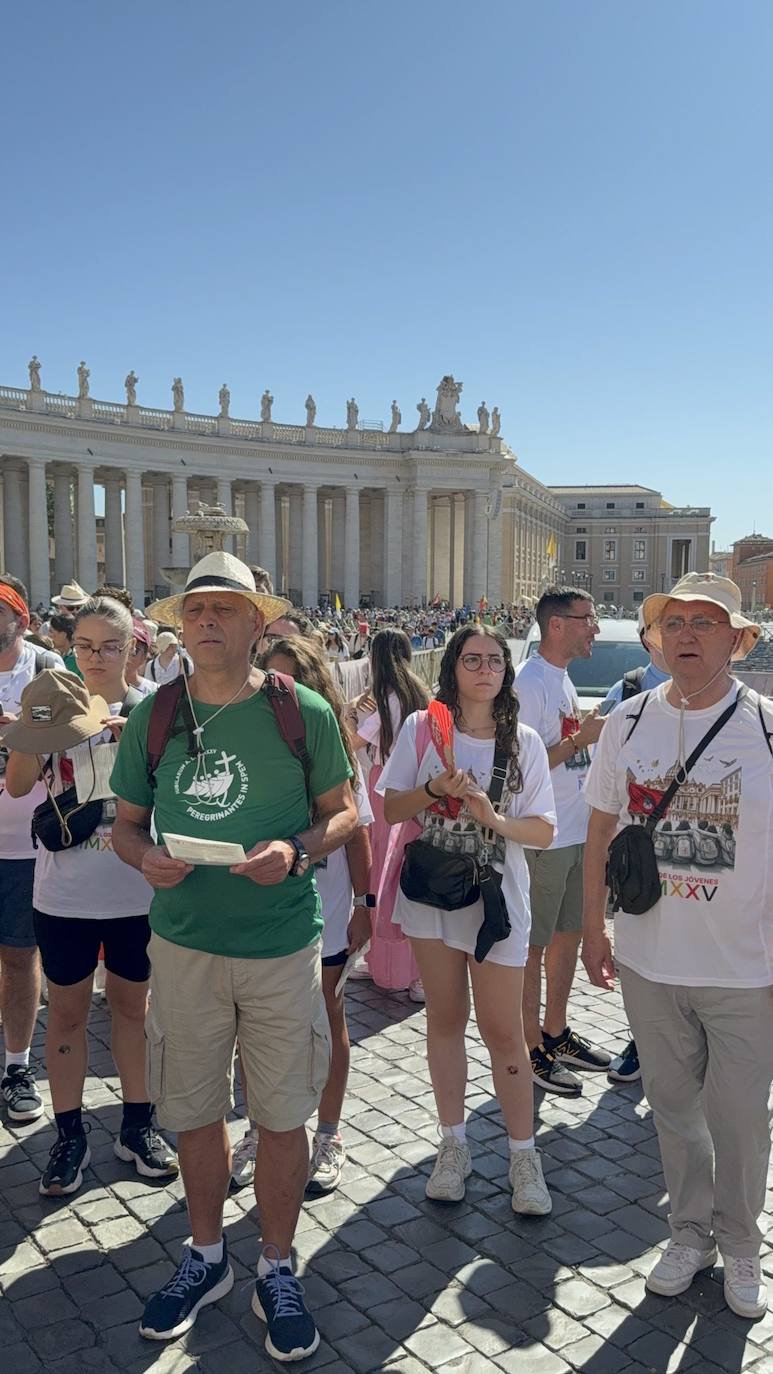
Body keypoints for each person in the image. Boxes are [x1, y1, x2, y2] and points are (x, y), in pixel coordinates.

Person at [110, 552, 358, 1362]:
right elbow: (124, 825)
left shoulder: (303, 710)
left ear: (258, 623)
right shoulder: (154, 714)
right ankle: (208, 1253)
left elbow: (345, 814)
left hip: (282, 946)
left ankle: (277, 1264)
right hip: (182, 944)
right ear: (180, 625)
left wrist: (294, 849)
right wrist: (138, 857)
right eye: (196, 609)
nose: (207, 621)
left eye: (225, 608)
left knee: (283, 1113)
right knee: (194, 1109)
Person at [582, 572, 773, 1320]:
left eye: (704, 621)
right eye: (674, 622)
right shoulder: (626, 721)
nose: (687, 634)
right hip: (648, 961)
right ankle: (687, 1232)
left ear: (735, 638)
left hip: (744, 966)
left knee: (739, 1119)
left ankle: (743, 1245)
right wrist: (594, 924)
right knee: (672, 1110)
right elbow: (600, 827)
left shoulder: (764, 726)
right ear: (655, 639)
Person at [378, 626, 557, 1213]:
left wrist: (492, 817)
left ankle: (523, 1154)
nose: (485, 669)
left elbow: (544, 831)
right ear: (453, 666)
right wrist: (433, 788)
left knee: (504, 1031)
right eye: (473, 659)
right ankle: (452, 1145)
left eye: (496, 661)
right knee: (445, 1019)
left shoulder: (523, 740)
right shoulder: (421, 729)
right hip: (433, 895)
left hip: (497, 899)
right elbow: (391, 806)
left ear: (506, 672)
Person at [3, 598, 177, 1193]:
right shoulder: (54, 698)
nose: (96, 658)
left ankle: (138, 1124)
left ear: (134, 648)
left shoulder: (157, 705)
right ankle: (69, 1133)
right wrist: (35, 728)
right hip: (65, 894)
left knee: (135, 1012)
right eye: (85, 646)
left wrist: (140, 744)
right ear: (70, 648)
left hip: (138, 892)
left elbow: (179, 788)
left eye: (110, 646)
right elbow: (20, 785)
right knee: (69, 1016)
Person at [260, 636, 373, 1195]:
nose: (281, 695)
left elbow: (358, 833)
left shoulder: (336, 746)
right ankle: (264, 1132)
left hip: (324, 905)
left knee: (327, 1015)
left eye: (291, 684)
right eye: (270, 683)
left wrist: (366, 904)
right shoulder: (248, 740)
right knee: (257, 1026)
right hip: (261, 908)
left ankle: (327, 1134)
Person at [514, 586, 610, 1094]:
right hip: (543, 837)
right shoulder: (529, 683)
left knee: (567, 935)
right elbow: (522, 767)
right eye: (588, 618)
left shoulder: (563, 678)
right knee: (532, 947)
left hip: (575, 831)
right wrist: (581, 740)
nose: (595, 626)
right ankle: (529, 1047)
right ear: (557, 624)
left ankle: (556, 1032)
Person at [0, 578, 63, 1124]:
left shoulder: (49, 672)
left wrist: (19, 732)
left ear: (19, 621)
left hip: (25, 842)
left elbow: (75, 734)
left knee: (20, 960)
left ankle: (17, 1066)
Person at [600, 607, 670, 1086]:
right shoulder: (625, 693)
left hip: (696, 854)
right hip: (637, 851)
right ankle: (642, 1038)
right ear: (648, 639)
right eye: (665, 628)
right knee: (643, 950)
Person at [348, 629, 429, 995]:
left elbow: (350, 742)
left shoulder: (385, 699)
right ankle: (413, 968)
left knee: (385, 869)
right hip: (417, 786)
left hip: (386, 785)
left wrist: (349, 711)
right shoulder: (419, 692)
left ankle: (392, 963)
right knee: (407, 870)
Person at [125, 619, 157, 697]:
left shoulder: (155, 693)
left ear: (144, 657)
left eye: (135, 650)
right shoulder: (92, 691)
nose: (126, 656)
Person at [48, 612, 81, 677]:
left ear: (63, 635)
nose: (48, 635)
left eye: (51, 631)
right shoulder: (46, 655)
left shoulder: (76, 661)